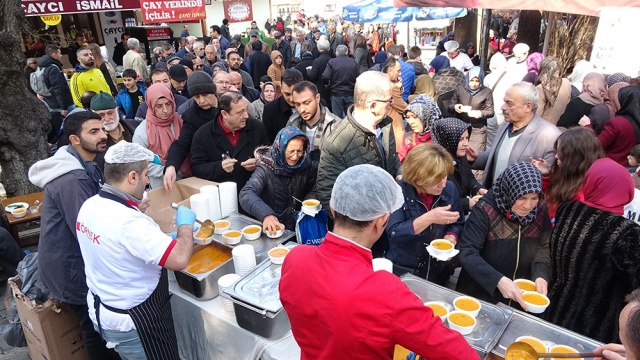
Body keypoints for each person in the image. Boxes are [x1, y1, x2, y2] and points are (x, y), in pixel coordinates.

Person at [279, 164, 480, 360]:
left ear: (333, 209)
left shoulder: (295, 258)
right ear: (381, 221)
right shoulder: (384, 291)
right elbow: (458, 354)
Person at [77, 141, 196, 360]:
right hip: (136, 322)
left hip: (104, 308)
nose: (148, 180)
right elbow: (179, 259)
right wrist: (185, 226)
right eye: (145, 175)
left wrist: (133, 208)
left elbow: (115, 244)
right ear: (132, 177)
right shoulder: (130, 223)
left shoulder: (90, 205)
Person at [28, 111, 115, 359]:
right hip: (71, 269)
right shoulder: (72, 179)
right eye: (94, 132)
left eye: (102, 129)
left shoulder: (84, 163)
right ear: (75, 140)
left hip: (70, 261)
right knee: (94, 327)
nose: (102, 135)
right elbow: (87, 230)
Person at [544, 158, 640, 343]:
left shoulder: (567, 209)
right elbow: (634, 289)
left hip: (557, 308)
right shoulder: (628, 233)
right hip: (596, 325)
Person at [457, 162, 552, 309]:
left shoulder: (540, 210)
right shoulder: (485, 210)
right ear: (510, 191)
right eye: (522, 198)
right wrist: (498, 280)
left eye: (534, 198)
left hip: (520, 295)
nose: (528, 206)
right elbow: (467, 252)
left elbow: (543, 247)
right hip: (480, 294)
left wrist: (541, 274)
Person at [316, 71, 401, 212]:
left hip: (388, 213)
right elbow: (327, 193)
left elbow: (392, 157)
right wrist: (359, 227)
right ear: (373, 106)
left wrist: (399, 171)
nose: (391, 104)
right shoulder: (336, 143)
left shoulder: (385, 124)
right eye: (389, 100)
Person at [387, 144, 464, 284]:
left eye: (445, 176)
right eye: (436, 179)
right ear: (418, 178)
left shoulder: (449, 189)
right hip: (404, 269)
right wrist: (429, 218)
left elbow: (458, 223)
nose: (443, 184)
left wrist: (451, 237)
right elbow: (393, 233)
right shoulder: (398, 191)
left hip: (437, 269)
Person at [467, 82, 561, 187]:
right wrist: (476, 157)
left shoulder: (549, 136)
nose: (503, 107)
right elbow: (499, 157)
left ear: (528, 107)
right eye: (504, 102)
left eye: (509, 103)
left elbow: (552, 179)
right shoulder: (505, 125)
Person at [190, 91, 269, 193]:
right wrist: (219, 167)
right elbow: (196, 168)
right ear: (224, 114)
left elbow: (269, 155)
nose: (246, 116)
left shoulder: (257, 127)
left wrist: (258, 163)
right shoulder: (203, 135)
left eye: (246, 110)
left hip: (255, 192)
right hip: (222, 195)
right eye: (240, 112)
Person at [240, 127, 316, 232]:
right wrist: (266, 214)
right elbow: (246, 193)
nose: (295, 157)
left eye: (299, 151)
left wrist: (308, 204)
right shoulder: (266, 167)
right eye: (291, 151)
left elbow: (313, 188)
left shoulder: (305, 163)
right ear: (280, 148)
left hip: (299, 223)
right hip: (275, 227)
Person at [530, 127, 604, 220]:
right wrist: (547, 175)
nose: (556, 156)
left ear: (574, 156)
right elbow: (552, 197)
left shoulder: (585, 192)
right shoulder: (569, 175)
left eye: (560, 152)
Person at [133, 83, 189, 189]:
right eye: (159, 106)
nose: (165, 110)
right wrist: (168, 170)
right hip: (162, 186)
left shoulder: (182, 121)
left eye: (168, 104)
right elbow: (141, 164)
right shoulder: (142, 133)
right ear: (150, 105)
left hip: (189, 180)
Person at [433, 117, 487, 214]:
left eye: (467, 138)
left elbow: (469, 177)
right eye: (460, 139)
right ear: (448, 139)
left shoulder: (459, 156)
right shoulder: (436, 165)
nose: (466, 144)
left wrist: (477, 189)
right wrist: (467, 203)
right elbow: (440, 201)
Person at [288, 81, 341, 170]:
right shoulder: (292, 122)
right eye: (297, 104)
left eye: (307, 102)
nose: (302, 109)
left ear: (317, 98)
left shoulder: (336, 125)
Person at [449, 66, 494, 152]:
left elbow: (491, 111)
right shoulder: (460, 88)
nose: (474, 84)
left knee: (475, 155)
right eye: (472, 80)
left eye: (477, 81)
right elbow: (450, 106)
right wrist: (456, 107)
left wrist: (480, 113)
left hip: (477, 129)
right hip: (461, 127)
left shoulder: (486, 92)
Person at [594, 85, 640, 167]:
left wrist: (587, 126)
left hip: (612, 168)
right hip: (634, 168)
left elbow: (596, 145)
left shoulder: (617, 123)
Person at [38, 45, 75, 144]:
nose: (61, 55)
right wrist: (64, 107)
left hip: (50, 102)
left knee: (58, 125)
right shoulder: (53, 68)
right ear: (54, 55)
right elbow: (59, 89)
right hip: (62, 103)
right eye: (59, 53)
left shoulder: (41, 67)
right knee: (72, 124)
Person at [263, 69, 303, 143]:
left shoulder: (313, 104)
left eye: (294, 94)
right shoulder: (270, 110)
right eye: (287, 94)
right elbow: (270, 142)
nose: (291, 99)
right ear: (281, 88)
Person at [398, 94, 439, 162]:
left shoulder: (440, 138)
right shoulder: (408, 138)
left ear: (427, 116)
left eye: (415, 117)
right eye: (407, 117)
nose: (410, 122)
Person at [322, 44, 357, 118]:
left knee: (337, 117)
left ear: (336, 53)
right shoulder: (353, 62)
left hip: (336, 93)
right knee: (351, 116)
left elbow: (325, 76)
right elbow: (358, 77)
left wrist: (328, 84)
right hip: (350, 93)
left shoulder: (332, 62)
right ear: (347, 52)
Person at [536, 56, 572, 125]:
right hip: (559, 126)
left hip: (543, 128)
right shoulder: (566, 82)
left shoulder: (541, 88)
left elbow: (537, 114)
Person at [483, 53, 508, 149]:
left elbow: (484, 95)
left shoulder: (488, 77)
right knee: (503, 142)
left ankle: (489, 162)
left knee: (490, 144)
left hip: (492, 112)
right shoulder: (513, 76)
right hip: (507, 113)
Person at [307, 39, 332, 110]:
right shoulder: (332, 60)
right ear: (329, 48)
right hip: (330, 89)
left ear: (318, 49)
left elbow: (312, 76)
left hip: (319, 89)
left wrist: (309, 70)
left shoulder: (317, 61)